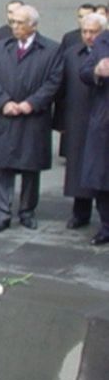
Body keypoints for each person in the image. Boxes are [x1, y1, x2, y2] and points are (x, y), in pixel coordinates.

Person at [0, 5, 64, 233]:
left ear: (33, 25)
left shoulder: (51, 49)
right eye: (13, 22)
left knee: (30, 167)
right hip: (5, 116)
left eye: (20, 23)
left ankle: (27, 211)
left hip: (33, 117)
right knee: (2, 167)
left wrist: (31, 103)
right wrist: (4, 102)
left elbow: (54, 81)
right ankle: (2, 213)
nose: (15, 27)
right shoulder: (1, 47)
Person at [54, 13, 106, 231]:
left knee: (102, 171)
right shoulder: (72, 53)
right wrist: (60, 121)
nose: (88, 36)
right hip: (79, 118)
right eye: (84, 31)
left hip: (102, 120)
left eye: (93, 31)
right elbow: (61, 88)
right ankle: (81, 213)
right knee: (79, 169)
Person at [79, 27, 109, 245]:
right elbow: (85, 71)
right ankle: (106, 226)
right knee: (102, 178)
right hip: (104, 121)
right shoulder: (102, 42)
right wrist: (97, 71)